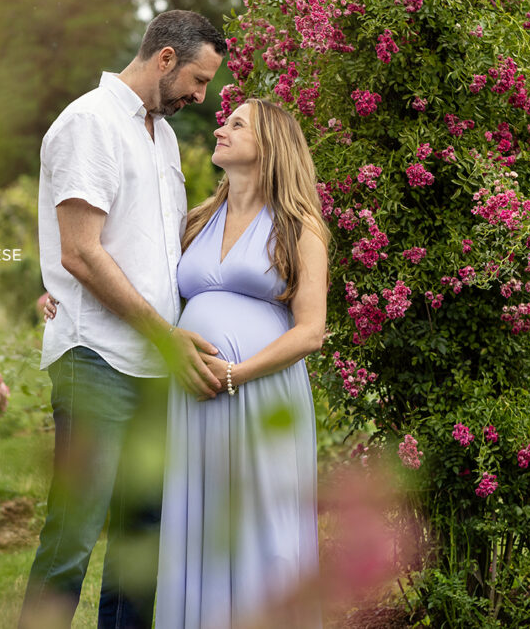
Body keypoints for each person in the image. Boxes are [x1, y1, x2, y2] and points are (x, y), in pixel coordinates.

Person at [46, 98, 331, 627]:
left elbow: (311, 331)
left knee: (260, 521)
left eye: (236, 124)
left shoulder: (299, 228)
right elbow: (132, 269)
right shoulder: (196, 219)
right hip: (192, 397)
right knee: (195, 520)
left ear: (269, 147)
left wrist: (234, 374)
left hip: (257, 391)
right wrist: (57, 291)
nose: (220, 127)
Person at [20, 10, 226, 629]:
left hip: (151, 367)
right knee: (73, 534)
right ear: (165, 59)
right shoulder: (89, 122)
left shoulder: (160, 135)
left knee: (143, 539)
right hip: (97, 359)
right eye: (197, 78)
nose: (201, 95)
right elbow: (81, 250)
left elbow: (151, 247)